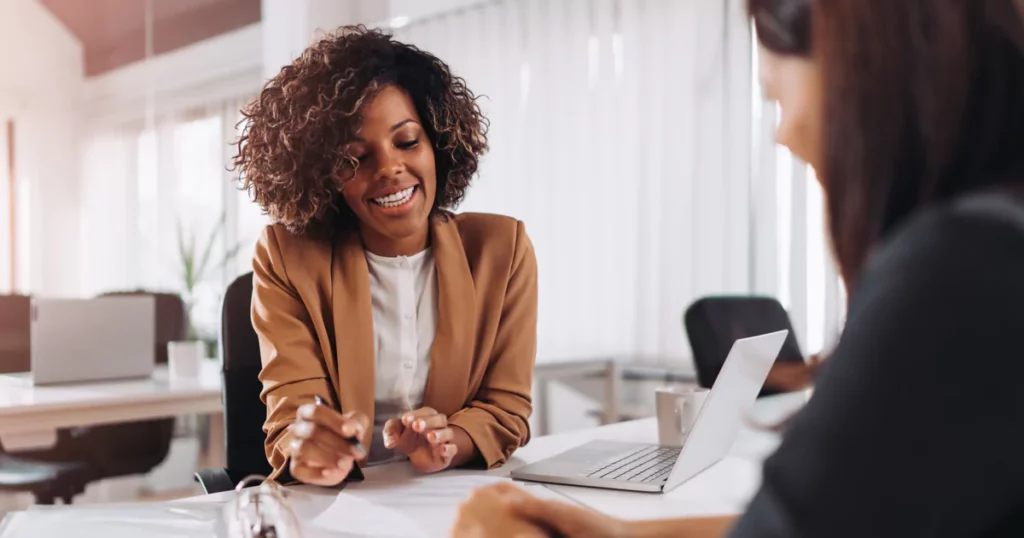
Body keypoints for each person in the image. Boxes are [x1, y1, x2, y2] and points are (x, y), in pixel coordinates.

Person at [454, 0, 1024, 536]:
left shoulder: (954, 276)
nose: (784, 134)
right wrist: (619, 532)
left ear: (864, 73)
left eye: (777, 97)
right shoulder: (990, 247)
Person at [235, 26, 538, 486]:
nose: (390, 169)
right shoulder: (287, 257)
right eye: (355, 158)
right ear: (324, 176)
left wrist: (448, 444)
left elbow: (506, 408)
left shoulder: (502, 249)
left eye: (407, 141)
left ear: (437, 141)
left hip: (450, 502)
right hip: (334, 510)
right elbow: (291, 417)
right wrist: (311, 449)